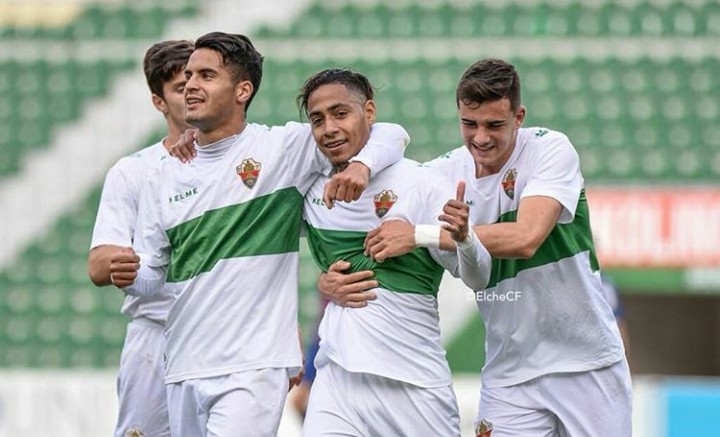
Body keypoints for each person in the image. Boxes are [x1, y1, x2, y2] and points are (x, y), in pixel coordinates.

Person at [107, 32, 409, 437]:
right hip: (181, 365)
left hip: (253, 366)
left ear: (242, 90)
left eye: (206, 75)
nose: (192, 84)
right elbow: (151, 278)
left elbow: (390, 133)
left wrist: (362, 167)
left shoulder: (282, 149)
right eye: (190, 76)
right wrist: (129, 275)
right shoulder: (162, 174)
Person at [335, 58, 632, 436]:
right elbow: (391, 228)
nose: (480, 138)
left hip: (585, 363)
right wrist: (335, 280)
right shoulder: (442, 173)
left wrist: (425, 234)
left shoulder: (550, 150)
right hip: (509, 374)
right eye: (469, 124)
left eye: (494, 125)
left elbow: (526, 238)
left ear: (519, 116)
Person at [297, 68, 492, 436]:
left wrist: (456, 237)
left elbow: (479, 276)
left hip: (413, 386)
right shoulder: (310, 188)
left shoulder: (421, 183)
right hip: (338, 383)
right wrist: (325, 284)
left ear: (369, 112)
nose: (329, 128)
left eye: (341, 114)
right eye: (317, 119)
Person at [87, 39, 194, 437]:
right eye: (180, 88)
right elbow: (98, 265)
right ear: (158, 102)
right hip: (157, 336)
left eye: (201, 79)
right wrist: (122, 263)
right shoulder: (134, 172)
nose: (194, 92)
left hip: (225, 334)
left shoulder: (243, 162)